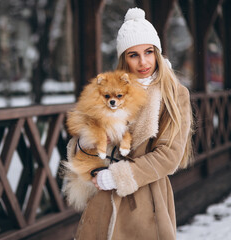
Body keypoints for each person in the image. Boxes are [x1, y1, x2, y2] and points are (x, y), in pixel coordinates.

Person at [65, 7, 193, 240]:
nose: (143, 62)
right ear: (124, 58)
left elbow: (169, 155)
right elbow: (84, 140)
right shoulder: (110, 90)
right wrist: (87, 141)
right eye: (133, 55)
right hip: (104, 198)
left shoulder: (174, 94)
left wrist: (119, 176)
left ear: (157, 52)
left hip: (146, 198)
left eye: (148, 52)